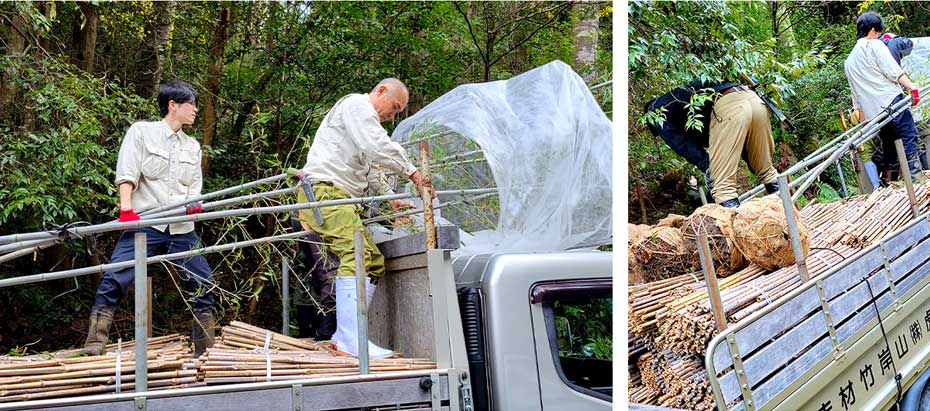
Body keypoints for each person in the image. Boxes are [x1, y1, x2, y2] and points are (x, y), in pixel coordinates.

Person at [297, 78, 432, 358]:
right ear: (380, 91)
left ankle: (347, 336)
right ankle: (350, 340)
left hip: (338, 198)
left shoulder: (363, 123)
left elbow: (369, 168)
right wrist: (413, 172)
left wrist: (389, 197)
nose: (392, 115)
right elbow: (375, 147)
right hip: (325, 193)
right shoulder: (357, 106)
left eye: (397, 113)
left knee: (370, 260)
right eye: (394, 108)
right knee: (357, 255)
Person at [81, 81, 216, 358]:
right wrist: (126, 209)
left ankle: (205, 352)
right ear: (173, 105)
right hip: (145, 223)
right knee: (115, 277)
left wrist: (195, 205)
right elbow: (127, 171)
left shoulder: (192, 146)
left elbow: (194, 187)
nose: (196, 110)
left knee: (203, 282)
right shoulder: (142, 133)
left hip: (181, 227)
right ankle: (93, 346)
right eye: (191, 104)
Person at [644, 81, 781, 207]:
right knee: (767, 172)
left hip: (728, 105)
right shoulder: (680, 102)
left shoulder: (655, 111)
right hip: (753, 99)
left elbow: (681, 144)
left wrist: (707, 165)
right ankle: (791, 218)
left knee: (723, 188)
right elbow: (738, 138)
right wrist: (753, 162)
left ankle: (735, 233)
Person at [844, 11, 922, 181]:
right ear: (873, 30)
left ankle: (892, 181)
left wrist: (864, 120)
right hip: (893, 102)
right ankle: (916, 179)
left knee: (889, 146)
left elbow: (855, 95)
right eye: (878, 33)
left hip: (875, 113)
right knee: (908, 136)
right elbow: (893, 71)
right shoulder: (875, 45)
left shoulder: (848, 61)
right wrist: (912, 87)